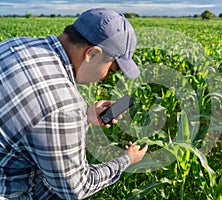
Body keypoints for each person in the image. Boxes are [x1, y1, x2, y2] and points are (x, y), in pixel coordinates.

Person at [0, 8, 148, 199]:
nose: (105, 78)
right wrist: (127, 159)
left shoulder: (14, 44)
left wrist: (84, 117)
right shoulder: (64, 107)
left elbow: (31, 113)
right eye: (111, 70)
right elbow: (76, 188)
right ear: (93, 54)